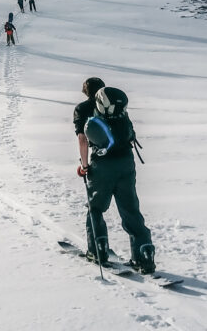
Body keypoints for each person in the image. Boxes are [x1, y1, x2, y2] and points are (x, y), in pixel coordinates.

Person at [74, 81, 155, 274]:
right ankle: (144, 253)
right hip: (126, 163)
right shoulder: (119, 111)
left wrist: (84, 166)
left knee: (96, 208)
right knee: (131, 210)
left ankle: (98, 249)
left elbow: (83, 139)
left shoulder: (84, 109)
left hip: (102, 166)